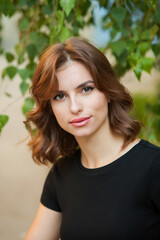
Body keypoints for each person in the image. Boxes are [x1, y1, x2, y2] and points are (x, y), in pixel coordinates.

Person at [24, 37, 160, 240]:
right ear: (50, 107)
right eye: (59, 96)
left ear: (108, 91)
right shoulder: (61, 175)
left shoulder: (153, 166)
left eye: (86, 89)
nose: (74, 107)